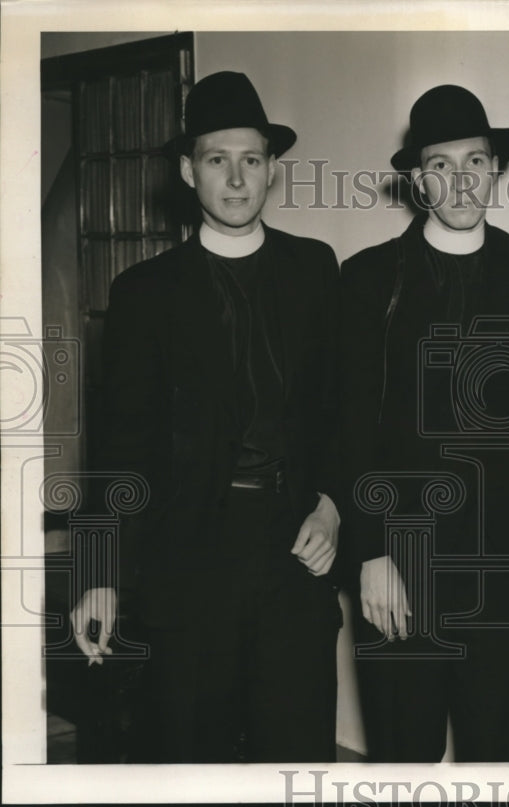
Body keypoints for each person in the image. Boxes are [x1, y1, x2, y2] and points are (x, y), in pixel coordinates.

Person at [70, 71, 343, 762]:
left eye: (251, 159)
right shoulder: (143, 293)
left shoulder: (315, 270)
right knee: (193, 761)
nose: (236, 177)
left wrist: (335, 507)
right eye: (217, 159)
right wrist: (97, 571)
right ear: (189, 170)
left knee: (298, 757)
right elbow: (117, 443)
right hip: (188, 566)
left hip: (294, 560)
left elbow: (338, 411)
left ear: (272, 169)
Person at [339, 84, 509, 762]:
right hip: (401, 570)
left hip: (501, 577)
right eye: (440, 164)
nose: (460, 180)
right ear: (418, 178)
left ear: (495, 170)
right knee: (405, 760)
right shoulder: (370, 276)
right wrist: (371, 551)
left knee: (499, 761)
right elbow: (350, 422)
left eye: (476, 162)